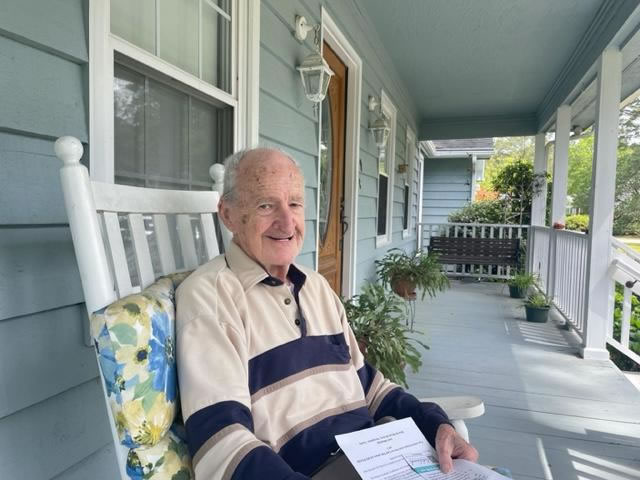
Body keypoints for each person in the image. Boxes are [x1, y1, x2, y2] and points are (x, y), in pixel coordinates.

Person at [176, 148, 478, 479]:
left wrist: (435, 424)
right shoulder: (211, 297)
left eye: (294, 204)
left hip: (380, 460)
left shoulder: (315, 287)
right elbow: (222, 444)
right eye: (265, 205)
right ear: (229, 215)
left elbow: (369, 387)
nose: (287, 222)